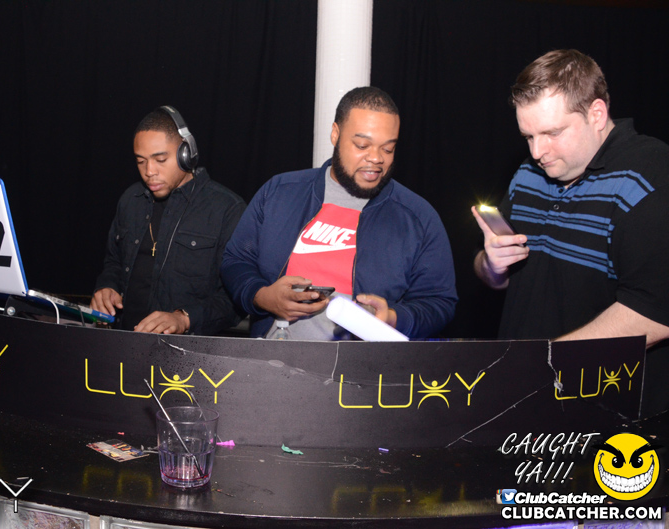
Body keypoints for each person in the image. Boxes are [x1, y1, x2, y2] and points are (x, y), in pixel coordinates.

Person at [472, 49, 669, 414]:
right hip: (522, 401)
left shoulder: (652, 175)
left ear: (597, 114)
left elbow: (653, 314)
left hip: (608, 415)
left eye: (552, 132)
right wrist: (492, 265)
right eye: (528, 136)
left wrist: (540, 366)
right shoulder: (528, 174)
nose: (537, 151)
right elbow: (493, 277)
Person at [221, 87, 457, 340]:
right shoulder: (280, 192)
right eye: (362, 145)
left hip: (363, 363)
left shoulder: (418, 217)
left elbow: (439, 302)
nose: (376, 158)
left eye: (388, 149)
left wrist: (392, 318)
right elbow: (236, 260)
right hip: (273, 357)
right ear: (335, 134)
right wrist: (261, 296)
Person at [92, 106, 246, 335]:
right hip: (121, 341)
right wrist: (107, 287)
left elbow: (236, 298)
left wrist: (184, 319)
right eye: (141, 161)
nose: (149, 171)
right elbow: (114, 262)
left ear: (186, 154)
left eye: (160, 159)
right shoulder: (130, 200)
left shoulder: (227, 209)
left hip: (184, 352)